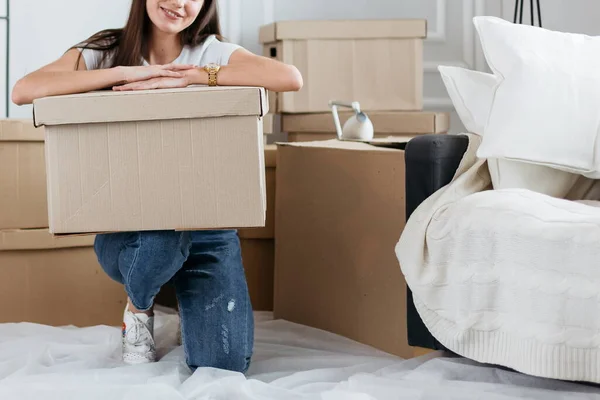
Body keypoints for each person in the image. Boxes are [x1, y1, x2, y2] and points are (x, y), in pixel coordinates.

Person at [11, 0, 302, 373]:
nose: (179, 3)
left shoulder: (213, 52)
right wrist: (125, 74)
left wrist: (195, 76)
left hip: (207, 231)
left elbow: (291, 78)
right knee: (161, 240)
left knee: (223, 364)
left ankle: (189, 308)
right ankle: (139, 305)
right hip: (134, 230)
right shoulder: (106, 52)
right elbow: (24, 90)